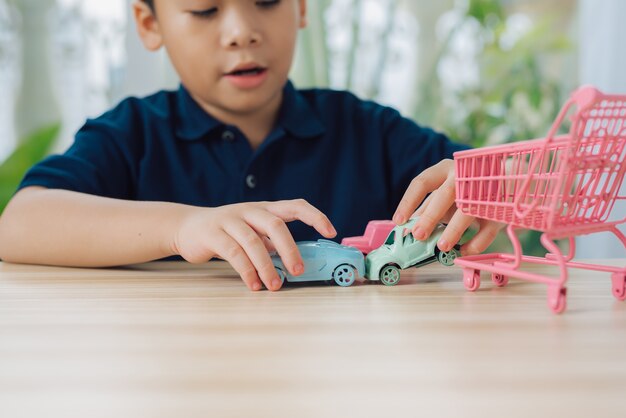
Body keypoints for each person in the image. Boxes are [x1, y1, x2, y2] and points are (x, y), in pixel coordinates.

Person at [0, 0, 502, 291]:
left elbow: (493, 177)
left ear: (301, 6)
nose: (242, 32)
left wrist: (492, 186)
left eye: (265, 0)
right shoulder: (132, 132)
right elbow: (19, 224)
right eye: (204, 9)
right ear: (150, 24)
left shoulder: (367, 129)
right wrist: (180, 227)